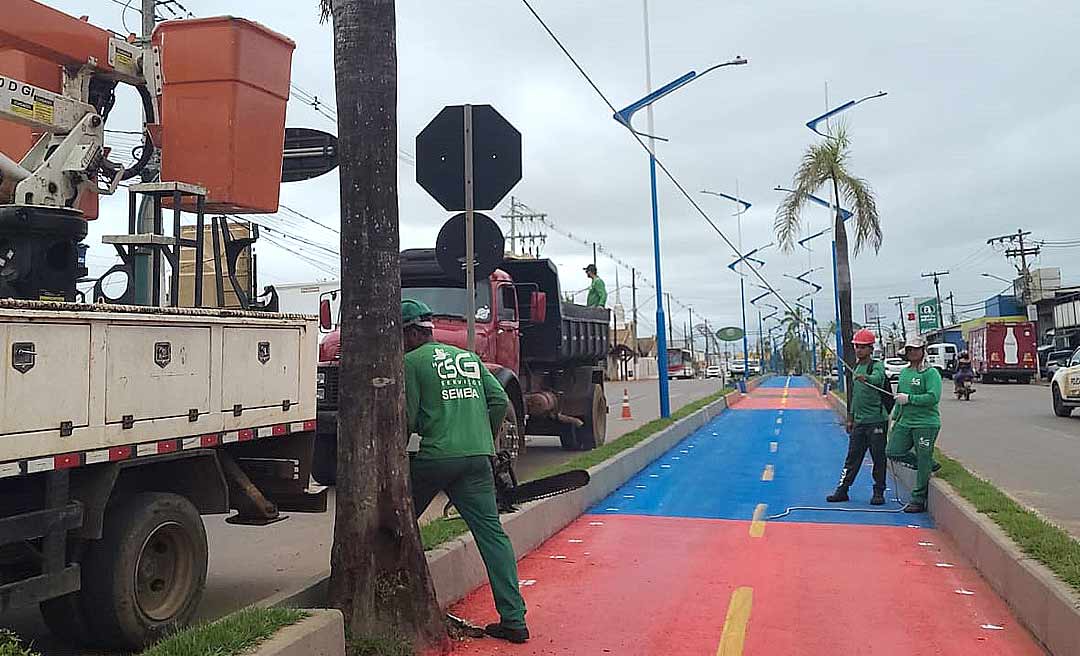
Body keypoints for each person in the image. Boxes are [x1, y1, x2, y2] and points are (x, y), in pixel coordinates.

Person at [401, 299, 529, 643]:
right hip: (477, 458)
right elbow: (499, 400)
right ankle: (514, 620)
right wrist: (484, 436)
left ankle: (398, 600)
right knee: (492, 535)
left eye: (400, 336)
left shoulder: (412, 363)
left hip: (435, 458)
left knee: (399, 523)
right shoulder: (468, 358)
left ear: (411, 333)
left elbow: (407, 418)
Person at [827, 328, 889, 505]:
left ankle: (879, 492)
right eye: (857, 347)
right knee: (852, 458)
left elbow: (878, 379)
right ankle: (843, 490)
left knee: (878, 458)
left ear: (871, 348)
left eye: (863, 347)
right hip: (859, 422)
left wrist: (866, 378)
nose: (859, 350)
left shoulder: (875, 365)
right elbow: (854, 397)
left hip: (876, 421)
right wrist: (850, 417)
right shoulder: (855, 367)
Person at [886, 335, 943, 513]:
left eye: (916, 349)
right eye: (910, 349)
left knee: (923, 456)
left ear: (923, 351)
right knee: (893, 451)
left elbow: (933, 397)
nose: (913, 352)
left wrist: (910, 399)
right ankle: (929, 464)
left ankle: (918, 499)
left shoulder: (930, 373)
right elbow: (900, 398)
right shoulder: (904, 373)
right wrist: (895, 417)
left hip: (925, 423)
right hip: (905, 421)